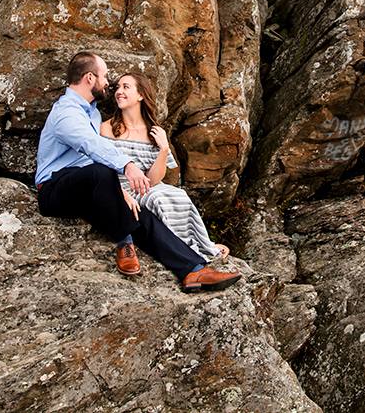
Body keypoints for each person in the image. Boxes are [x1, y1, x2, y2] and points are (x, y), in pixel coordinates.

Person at [35, 51, 241, 292]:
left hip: (88, 188)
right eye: (105, 76)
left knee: (139, 214)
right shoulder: (66, 112)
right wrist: (128, 166)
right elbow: (89, 145)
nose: (108, 83)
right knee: (102, 171)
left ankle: (193, 270)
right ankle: (125, 242)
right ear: (89, 78)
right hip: (55, 190)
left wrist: (117, 192)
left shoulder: (90, 111)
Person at [100, 71, 230, 261]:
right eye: (118, 87)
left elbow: (153, 180)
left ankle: (203, 244)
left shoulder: (154, 131)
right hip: (122, 189)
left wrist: (163, 149)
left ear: (141, 95)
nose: (119, 91)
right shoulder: (108, 128)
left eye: (126, 87)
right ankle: (186, 252)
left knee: (178, 194)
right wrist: (120, 192)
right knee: (159, 198)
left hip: (147, 187)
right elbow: (101, 169)